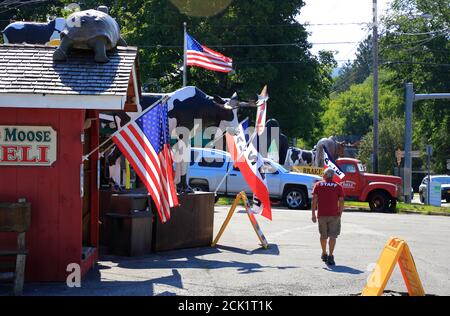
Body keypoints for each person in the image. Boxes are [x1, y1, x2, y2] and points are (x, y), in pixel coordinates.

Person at [311, 168, 344, 266]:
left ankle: (324, 253)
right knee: (333, 236)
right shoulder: (338, 186)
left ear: (325, 175)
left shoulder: (318, 185)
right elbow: (341, 200)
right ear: (333, 176)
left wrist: (313, 213)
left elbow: (314, 200)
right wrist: (340, 212)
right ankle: (331, 255)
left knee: (323, 236)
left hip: (322, 215)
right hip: (334, 215)